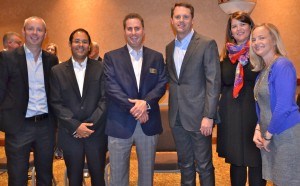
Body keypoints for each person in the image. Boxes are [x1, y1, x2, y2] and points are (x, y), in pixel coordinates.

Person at [104, 13, 167, 186]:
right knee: (117, 177)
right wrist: (136, 109)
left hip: (148, 123)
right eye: (129, 28)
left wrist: (145, 104)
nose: (133, 32)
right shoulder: (111, 57)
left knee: (147, 177)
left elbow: (162, 84)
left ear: (143, 30)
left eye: (137, 28)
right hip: (119, 123)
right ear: (124, 31)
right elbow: (111, 87)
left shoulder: (156, 57)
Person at [166, 2, 221, 186]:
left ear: (192, 20)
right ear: (172, 20)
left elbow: (213, 83)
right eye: (177, 17)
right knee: (185, 164)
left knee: (204, 165)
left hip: (200, 118)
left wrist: (208, 115)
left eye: (185, 17)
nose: (181, 20)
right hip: (177, 118)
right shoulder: (169, 47)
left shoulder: (206, 44)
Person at [0, 16, 58, 186]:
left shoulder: (51, 60)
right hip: (19, 127)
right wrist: (5, 122)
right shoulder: (7, 58)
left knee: (45, 177)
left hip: (45, 127)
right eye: (31, 29)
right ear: (23, 31)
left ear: (45, 34)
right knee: (17, 178)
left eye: (39, 29)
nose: (35, 33)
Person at [50, 28, 107, 186]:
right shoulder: (57, 71)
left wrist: (89, 125)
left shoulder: (101, 68)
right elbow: (56, 102)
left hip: (96, 133)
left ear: (89, 45)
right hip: (70, 134)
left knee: (98, 178)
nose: (80, 45)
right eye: (77, 41)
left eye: (84, 42)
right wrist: (76, 126)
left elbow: (105, 99)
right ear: (70, 44)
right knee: (74, 179)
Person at [217, 12, 266, 186]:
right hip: (231, 115)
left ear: (250, 27)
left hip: (255, 115)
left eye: (242, 24)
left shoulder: (260, 52)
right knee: (236, 162)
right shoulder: (225, 56)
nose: (238, 29)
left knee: (256, 162)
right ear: (230, 31)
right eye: (234, 26)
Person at [251, 23, 300, 186]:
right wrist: (258, 129)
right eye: (253, 39)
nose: (256, 42)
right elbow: (263, 105)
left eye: (262, 37)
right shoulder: (264, 70)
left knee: (289, 180)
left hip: (285, 135)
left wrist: (267, 135)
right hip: (271, 134)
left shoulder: (282, 65)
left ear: (273, 40)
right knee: (279, 180)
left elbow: (283, 107)